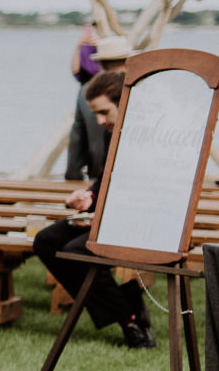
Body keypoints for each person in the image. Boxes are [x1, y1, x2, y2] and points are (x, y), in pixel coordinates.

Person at [34, 70, 155, 348]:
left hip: (139, 221)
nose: (99, 121)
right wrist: (90, 197)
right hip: (106, 214)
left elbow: (144, 190)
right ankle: (130, 312)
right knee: (46, 241)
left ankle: (130, 320)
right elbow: (108, 177)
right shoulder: (114, 131)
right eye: (95, 113)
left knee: (79, 250)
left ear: (123, 102)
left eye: (104, 112)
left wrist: (101, 216)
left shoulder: (148, 136)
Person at [67, 35, 131, 181]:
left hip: (96, 175)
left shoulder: (86, 91)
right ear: (128, 61)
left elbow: (77, 137)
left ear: (101, 63)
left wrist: (73, 176)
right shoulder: (138, 90)